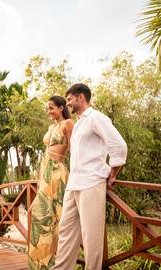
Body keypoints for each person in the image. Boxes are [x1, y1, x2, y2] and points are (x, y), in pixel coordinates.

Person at [52, 83, 128, 270]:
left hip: (91, 183)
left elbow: (119, 146)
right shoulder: (78, 125)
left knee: (91, 237)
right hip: (73, 185)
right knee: (66, 233)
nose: (68, 103)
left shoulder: (96, 118)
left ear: (81, 97)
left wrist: (113, 173)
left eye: (70, 99)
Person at [28, 96, 74, 270]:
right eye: (47, 108)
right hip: (45, 173)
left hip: (57, 172)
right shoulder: (51, 126)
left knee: (58, 216)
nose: (48, 111)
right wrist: (40, 179)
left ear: (61, 107)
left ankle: (59, 263)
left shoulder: (68, 123)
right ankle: (42, 264)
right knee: (40, 216)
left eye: (51, 108)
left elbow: (74, 149)